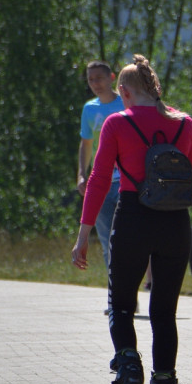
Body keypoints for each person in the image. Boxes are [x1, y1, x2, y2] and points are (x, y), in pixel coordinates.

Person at [71, 54, 192, 384]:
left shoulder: (116, 122)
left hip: (132, 218)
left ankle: (129, 368)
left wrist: (83, 236)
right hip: (175, 222)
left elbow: (97, 181)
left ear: (123, 91)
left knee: (122, 305)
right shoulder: (184, 123)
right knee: (164, 313)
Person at [77, 62, 129, 312]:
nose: (95, 83)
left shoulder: (126, 103)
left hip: (127, 182)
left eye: (99, 78)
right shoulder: (89, 109)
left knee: (128, 238)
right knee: (108, 239)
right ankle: (117, 294)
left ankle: (133, 288)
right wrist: (81, 174)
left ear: (111, 78)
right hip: (102, 182)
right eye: (90, 79)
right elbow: (86, 144)